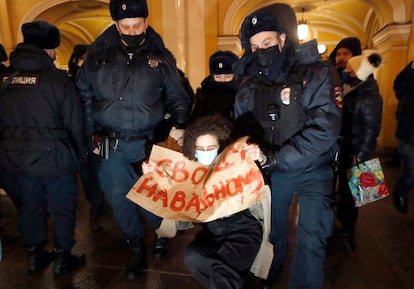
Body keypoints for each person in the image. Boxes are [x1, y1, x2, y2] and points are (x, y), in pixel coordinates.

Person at [75, 0, 192, 280]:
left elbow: (179, 98)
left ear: (146, 22)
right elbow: (84, 95)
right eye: (124, 27)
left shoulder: (160, 58)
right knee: (120, 199)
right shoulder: (97, 57)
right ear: (116, 25)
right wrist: (91, 133)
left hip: (149, 143)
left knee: (154, 195)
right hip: (110, 145)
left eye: (136, 25)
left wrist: (176, 130)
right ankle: (136, 246)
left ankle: (162, 232)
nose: (131, 31)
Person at [234, 7, 342, 289]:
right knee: (272, 233)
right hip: (273, 173)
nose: (261, 51)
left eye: (267, 43)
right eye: (254, 46)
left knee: (311, 237)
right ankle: (270, 274)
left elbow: (325, 129)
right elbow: (241, 126)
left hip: (313, 169)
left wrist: (276, 158)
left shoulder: (316, 73)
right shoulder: (249, 83)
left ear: (283, 38)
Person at [0, 21, 87, 275]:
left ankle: (34, 255)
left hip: (15, 159)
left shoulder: (5, 79)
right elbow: (75, 121)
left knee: (29, 206)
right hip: (55, 159)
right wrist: (81, 154)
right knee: (62, 208)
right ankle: (62, 257)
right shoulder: (56, 79)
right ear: (49, 50)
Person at [142, 114, 265, 289]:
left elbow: (260, 169)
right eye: (200, 148)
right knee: (195, 258)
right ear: (193, 148)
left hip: (244, 230)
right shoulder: (190, 174)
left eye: (210, 147)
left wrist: (260, 156)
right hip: (215, 234)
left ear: (220, 145)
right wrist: (153, 176)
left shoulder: (235, 163)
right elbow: (171, 197)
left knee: (223, 271)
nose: (205, 152)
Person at [336, 50, 383, 250]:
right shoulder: (356, 89)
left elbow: (371, 129)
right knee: (347, 191)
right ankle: (344, 222)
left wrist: (361, 155)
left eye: (350, 67)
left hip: (356, 150)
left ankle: (348, 228)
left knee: (354, 193)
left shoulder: (369, 96)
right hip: (347, 146)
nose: (346, 69)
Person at [68, 44, 106, 232]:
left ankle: (97, 209)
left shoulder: (96, 80)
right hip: (89, 135)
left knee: (94, 173)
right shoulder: (74, 80)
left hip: (93, 135)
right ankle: (96, 207)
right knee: (91, 173)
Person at [392, 60, 414, 214]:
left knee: (363, 194)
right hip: (353, 148)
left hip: (360, 149)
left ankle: (349, 227)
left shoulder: (368, 90)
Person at [191, 50, 239, 120]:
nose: (222, 80)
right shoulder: (204, 95)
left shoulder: (242, 93)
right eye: (218, 77)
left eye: (227, 77)